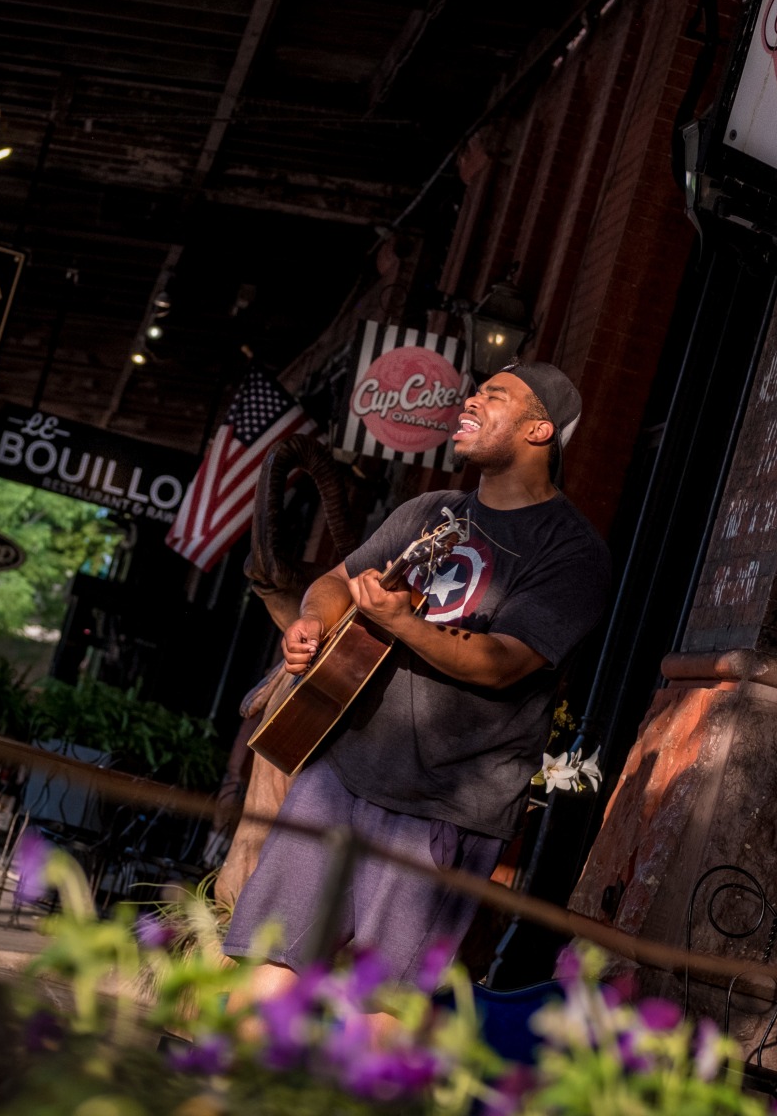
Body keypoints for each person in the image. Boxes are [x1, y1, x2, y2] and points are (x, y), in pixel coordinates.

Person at [223, 362, 611, 996]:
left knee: (378, 1003)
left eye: (495, 395)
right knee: (267, 961)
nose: (470, 401)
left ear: (540, 429)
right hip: (341, 773)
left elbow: (504, 661)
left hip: (446, 804)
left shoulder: (572, 552)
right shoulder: (431, 510)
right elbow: (335, 583)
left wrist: (402, 621)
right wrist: (312, 625)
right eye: (475, 390)